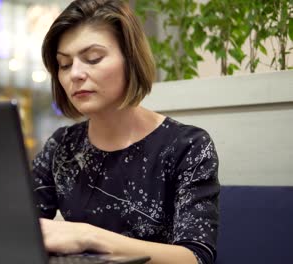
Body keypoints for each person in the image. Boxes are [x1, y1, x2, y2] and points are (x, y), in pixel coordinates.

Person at [32, 1, 220, 264]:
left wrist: (88, 236)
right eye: (64, 64)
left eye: (93, 58)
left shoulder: (187, 146)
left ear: (131, 59)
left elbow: (196, 257)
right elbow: (22, 226)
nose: (75, 74)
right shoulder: (62, 146)